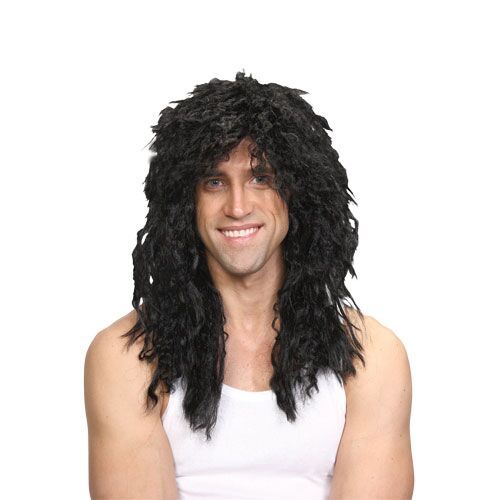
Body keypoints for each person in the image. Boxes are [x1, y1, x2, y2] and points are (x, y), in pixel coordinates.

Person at [84, 71, 414, 499]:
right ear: (186, 201)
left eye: (261, 177)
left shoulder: (370, 356)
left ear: (297, 193)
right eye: (214, 181)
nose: (238, 207)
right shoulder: (128, 358)